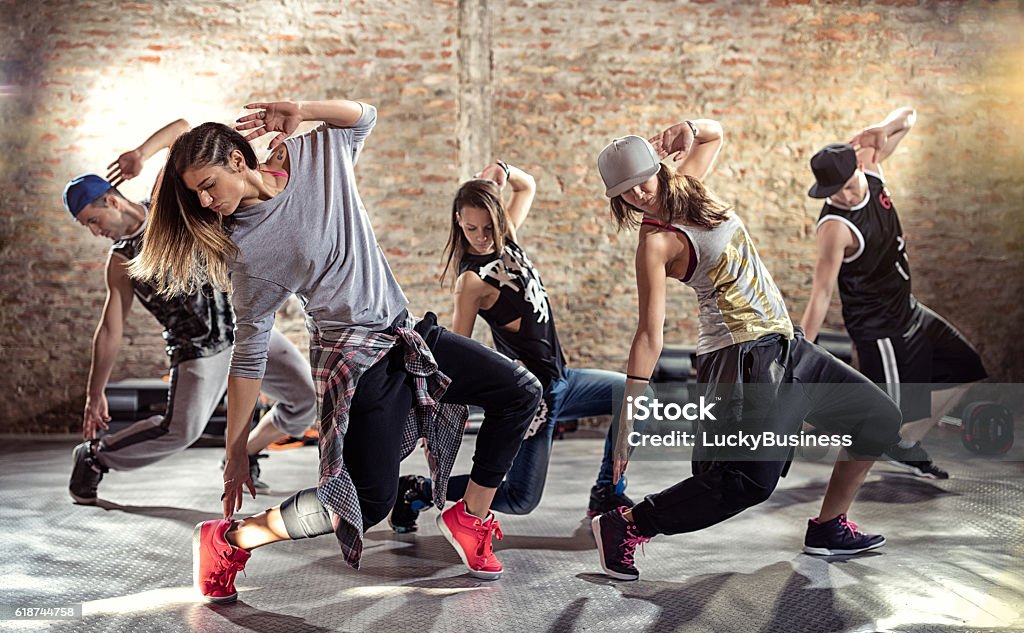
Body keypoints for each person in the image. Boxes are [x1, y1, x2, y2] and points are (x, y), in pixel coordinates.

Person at [128, 99, 541, 602]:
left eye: (208, 185)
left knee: (519, 391)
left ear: (238, 161)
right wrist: (237, 447)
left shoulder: (314, 154)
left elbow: (365, 115)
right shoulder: (247, 249)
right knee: (365, 503)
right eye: (197, 196)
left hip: (403, 332)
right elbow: (249, 351)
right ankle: (232, 539)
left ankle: (469, 517)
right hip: (356, 359)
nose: (207, 201)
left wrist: (302, 108)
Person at [591, 119, 903, 581]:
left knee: (877, 419)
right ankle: (627, 525)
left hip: (785, 342)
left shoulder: (691, 187)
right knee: (745, 484)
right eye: (625, 191)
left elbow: (714, 135)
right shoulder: (654, 242)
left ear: (658, 168)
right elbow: (648, 336)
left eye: (641, 180)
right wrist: (629, 416)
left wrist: (687, 128)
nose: (637, 195)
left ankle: (828, 527)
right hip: (738, 356)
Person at [63, 119, 317, 505]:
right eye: (88, 228)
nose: (96, 232)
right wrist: (94, 393)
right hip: (196, 350)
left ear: (112, 201)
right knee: (180, 431)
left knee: (304, 400)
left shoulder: (170, 209)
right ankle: (97, 457)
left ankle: (245, 450)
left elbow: (181, 129)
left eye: (94, 221)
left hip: (244, 328)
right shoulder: (120, 261)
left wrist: (140, 155)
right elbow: (111, 329)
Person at [389, 161, 641, 533]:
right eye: (472, 227)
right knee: (521, 500)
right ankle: (417, 490)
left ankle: (607, 491)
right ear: (458, 220)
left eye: (489, 227)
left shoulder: (509, 243)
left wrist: (502, 170)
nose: (481, 236)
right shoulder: (471, 282)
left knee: (635, 393)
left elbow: (528, 186)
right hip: (534, 397)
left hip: (563, 380)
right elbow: (458, 353)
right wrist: (439, 426)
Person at [801, 107, 988, 479]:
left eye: (848, 185)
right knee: (879, 417)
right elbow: (821, 294)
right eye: (834, 193)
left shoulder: (870, 165)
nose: (844, 196)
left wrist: (883, 128)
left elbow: (910, 116)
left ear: (859, 165)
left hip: (908, 310)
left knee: (968, 367)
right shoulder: (834, 229)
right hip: (878, 329)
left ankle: (903, 445)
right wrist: (799, 354)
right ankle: (816, 443)